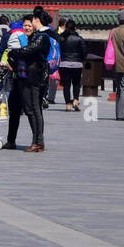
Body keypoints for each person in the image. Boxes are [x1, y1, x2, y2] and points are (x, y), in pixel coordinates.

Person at [6, 10, 52, 151]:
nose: (28, 26)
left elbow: (28, 51)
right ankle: (11, 140)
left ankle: (38, 142)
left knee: (32, 110)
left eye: (30, 23)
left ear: (36, 21)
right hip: (21, 77)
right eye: (25, 25)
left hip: (32, 79)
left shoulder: (42, 37)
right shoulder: (35, 36)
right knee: (15, 109)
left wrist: (14, 52)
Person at [57, 18, 84, 110]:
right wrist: (81, 60)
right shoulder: (79, 39)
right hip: (77, 64)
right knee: (76, 83)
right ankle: (76, 100)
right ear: (75, 28)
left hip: (64, 64)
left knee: (66, 85)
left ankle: (68, 104)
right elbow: (84, 52)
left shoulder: (61, 38)